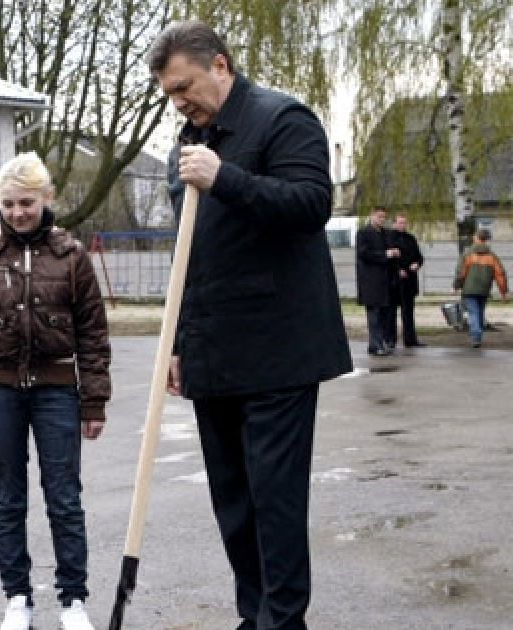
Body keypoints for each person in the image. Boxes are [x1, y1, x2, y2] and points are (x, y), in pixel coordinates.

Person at [152, 21, 352, 630]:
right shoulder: (186, 145)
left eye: (185, 86)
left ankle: (282, 621)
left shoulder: (282, 119)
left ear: (221, 65)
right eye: (169, 93)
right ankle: (254, 614)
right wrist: (180, 344)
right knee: (234, 503)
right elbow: (192, 256)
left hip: (277, 350)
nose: (179, 101)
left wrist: (226, 177)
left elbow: (311, 204)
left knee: (275, 499)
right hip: (214, 351)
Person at [0, 152, 110, 630]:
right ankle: (17, 597)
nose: (18, 212)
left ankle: (73, 600)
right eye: (10, 203)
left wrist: (94, 400)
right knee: (8, 498)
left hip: (58, 391)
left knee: (64, 498)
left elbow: (93, 334)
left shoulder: (72, 256)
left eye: (27, 203)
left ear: (47, 199)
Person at [356, 207, 401, 356]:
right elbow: (363, 254)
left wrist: (394, 253)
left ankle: (378, 343)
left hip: (385, 281)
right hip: (371, 281)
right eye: (379, 217)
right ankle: (375, 345)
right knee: (374, 315)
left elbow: (391, 251)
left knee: (384, 314)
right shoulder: (363, 233)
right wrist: (385, 254)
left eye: (384, 217)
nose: (382, 220)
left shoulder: (386, 233)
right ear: (372, 216)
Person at [453, 228, 508, 348]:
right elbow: (500, 274)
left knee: (473, 313)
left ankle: (476, 337)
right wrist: (503, 291)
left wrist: (456, 286)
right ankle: (478, 335)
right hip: (484, 289)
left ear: (477, 238)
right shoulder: (492, 256)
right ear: (486, 240)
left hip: (469, 289)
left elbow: (461, 272)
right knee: (480, 312)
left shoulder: (468, 254)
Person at [386, 213, 426, 348]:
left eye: (404, 223)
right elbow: (387, 259)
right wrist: (397, 270)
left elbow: (419, 257)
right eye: (400, 223)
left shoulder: (411, 238)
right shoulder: (388, 237)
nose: (402, 225)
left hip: (410, 280)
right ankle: (391, 340)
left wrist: (417, 264)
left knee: (408, 312)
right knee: (391, 312)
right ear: (394, 223)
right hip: (394, 281)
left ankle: (410, 339)